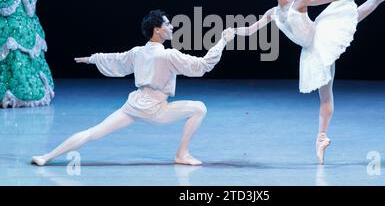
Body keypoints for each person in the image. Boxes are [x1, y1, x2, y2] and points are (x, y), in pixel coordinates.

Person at [235, 0, 385, 164]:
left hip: (324, 36)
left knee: (372, 1)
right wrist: (233, 32)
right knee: (325, 97)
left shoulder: (299, 2)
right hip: (311, 52)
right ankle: (321, 138)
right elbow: (250, 30)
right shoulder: (272, 13)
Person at [31, 9, 235, 166]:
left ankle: (46, 157)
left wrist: (91, 59)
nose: (172, 26)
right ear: (157, 30)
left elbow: (115, 59)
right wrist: (222, 41)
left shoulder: (139, 52)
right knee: (199, 108)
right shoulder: (168, 55)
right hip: (155, 109)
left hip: (134, 105)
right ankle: (182, 154)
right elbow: (202, 65)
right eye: (168, 24)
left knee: (93, 132)